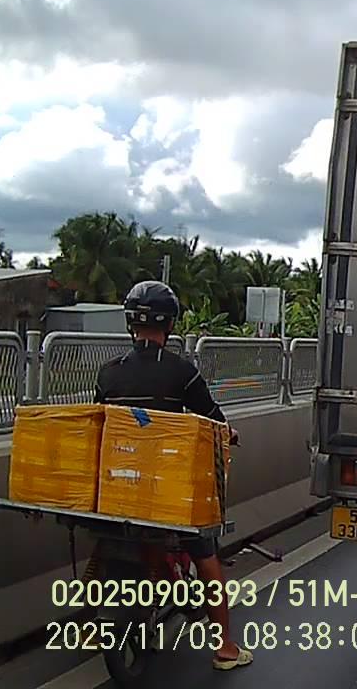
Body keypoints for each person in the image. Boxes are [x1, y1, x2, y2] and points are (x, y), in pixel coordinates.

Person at [92, 280, 253, 672]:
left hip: (120, 485)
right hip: (168, 489)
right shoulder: (182, 372)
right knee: (206, 555)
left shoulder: (108, 373)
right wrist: (229, 434)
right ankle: (225, 648)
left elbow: (97, 421)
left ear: (130, 322)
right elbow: (212, 420)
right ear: (170, 323)